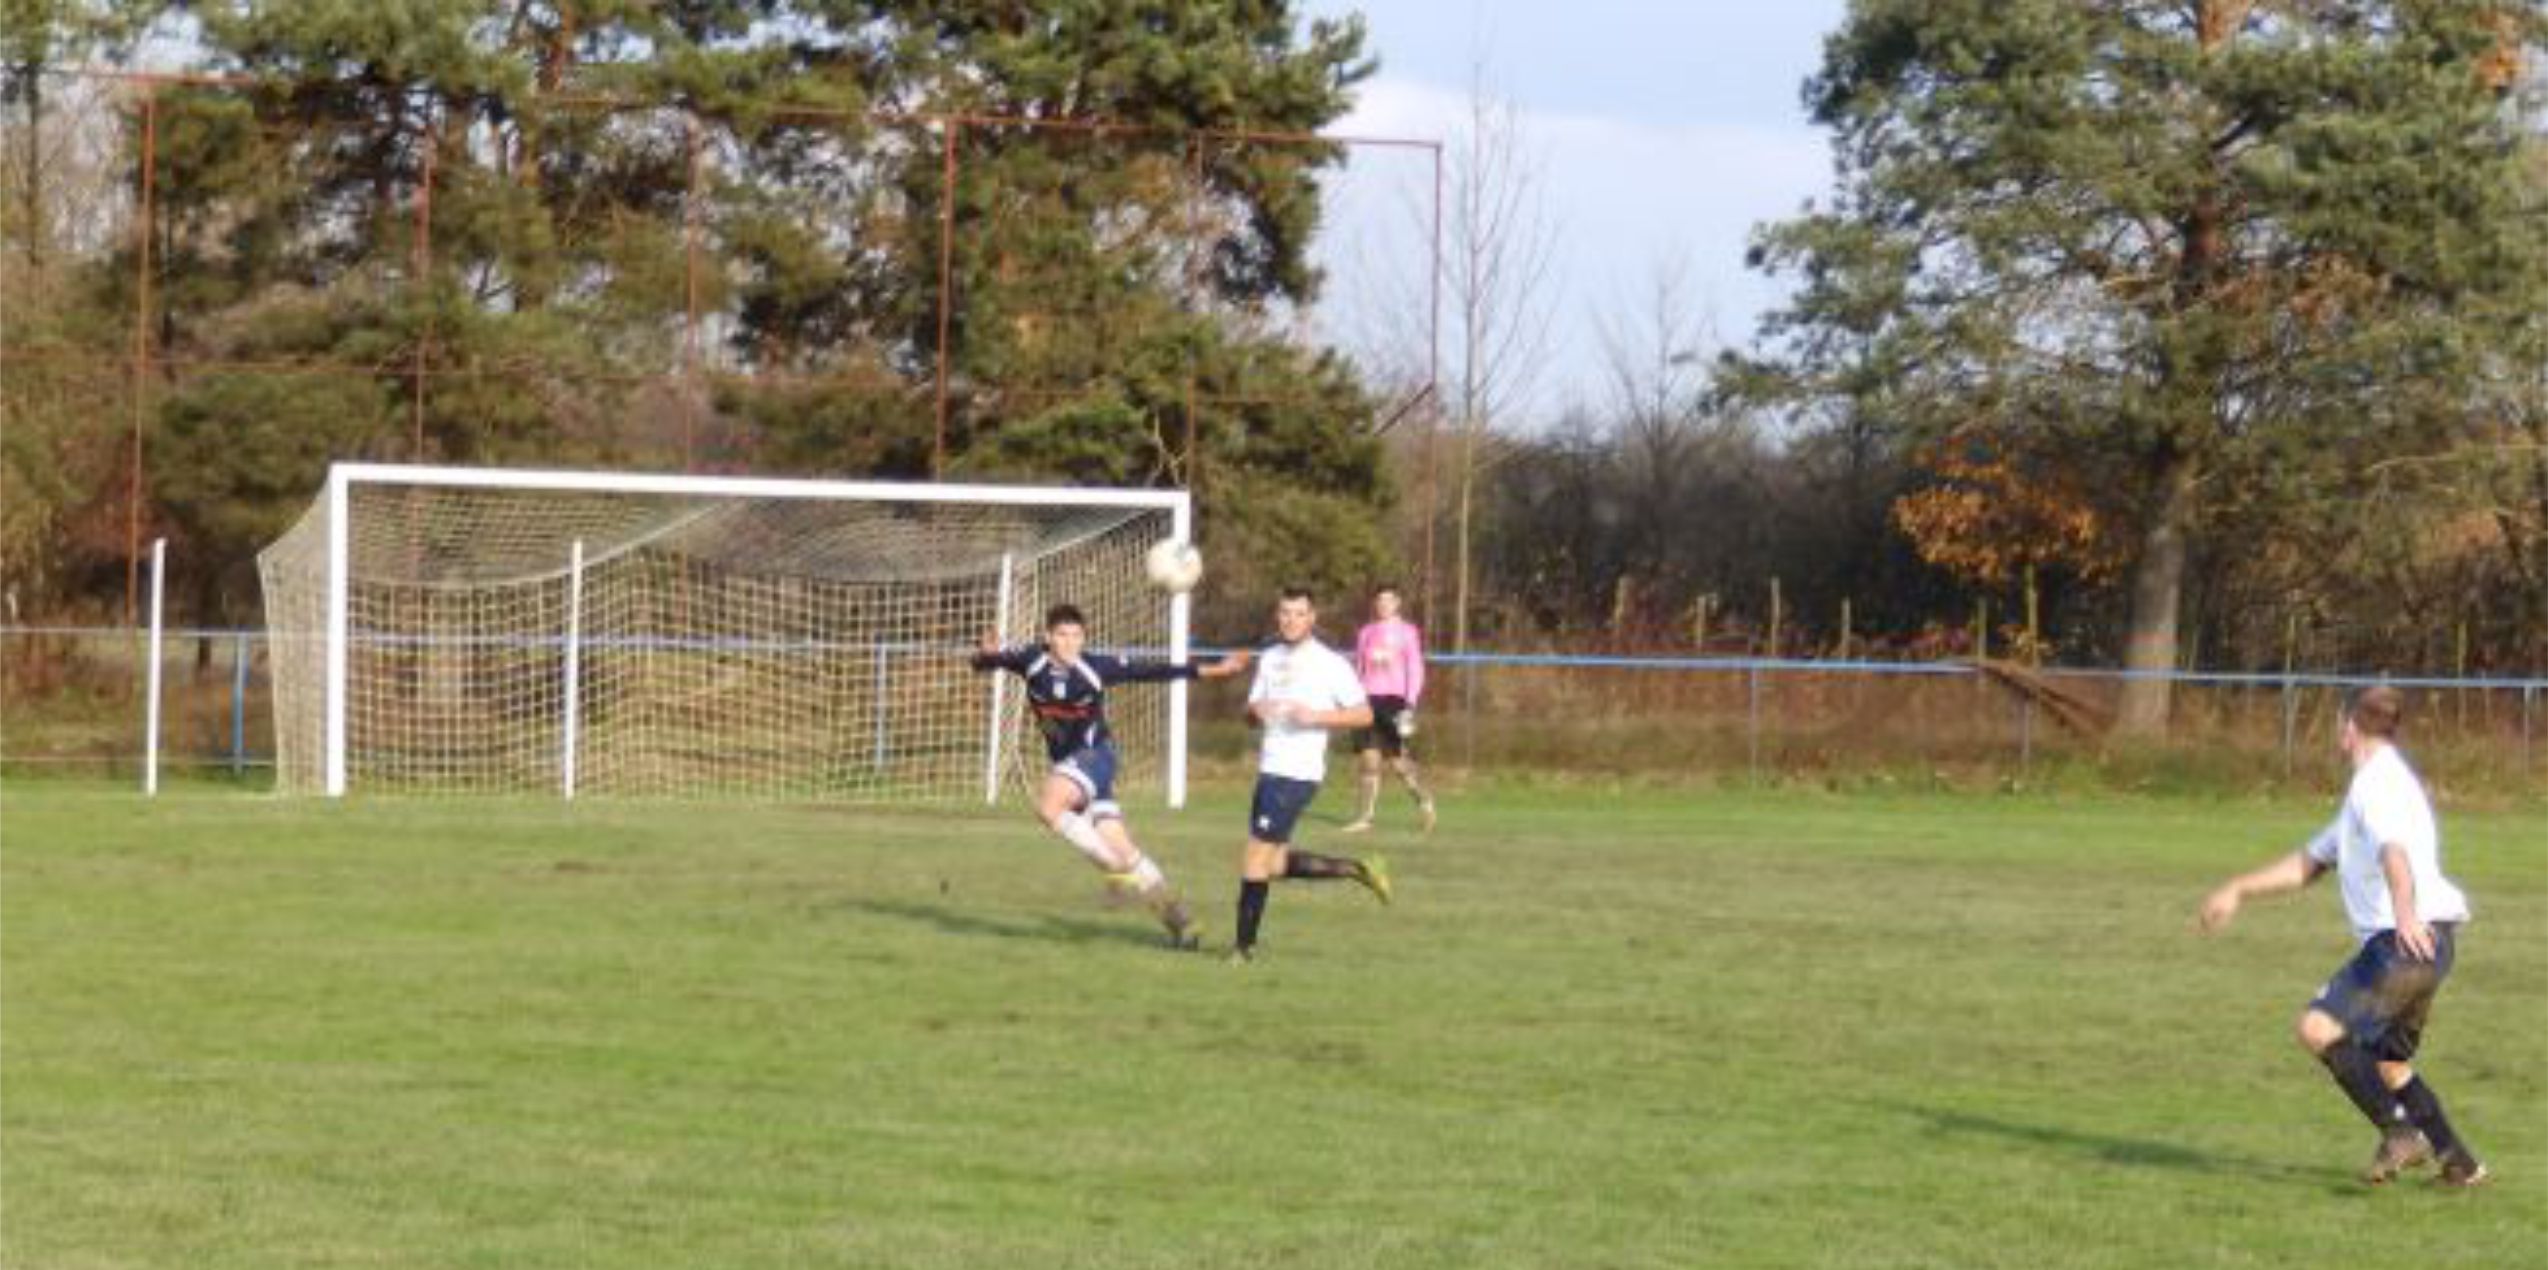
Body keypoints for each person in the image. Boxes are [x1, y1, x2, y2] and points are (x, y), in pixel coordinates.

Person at [2195, 685, 2486, 1188]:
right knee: (2389, 1064)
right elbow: (2309, 863)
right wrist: (2238, 888)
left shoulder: (2377, 785)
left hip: (2401, 942)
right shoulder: (2375, 788)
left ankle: (2401, 1134)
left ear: (2348, 726)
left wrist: (2404, 913)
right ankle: (2459, 1162)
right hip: (2434, 944)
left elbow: (2394, 852)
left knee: (2317, 1027)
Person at [972, 603, 1250, 949]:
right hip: (1073, 765)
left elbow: (1155, 670)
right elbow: (986, 663)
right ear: (1048, 637)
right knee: (1125, 849)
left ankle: (1112, 869)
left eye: (1076, 635)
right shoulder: (1031, 660)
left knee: (1049, 808)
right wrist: (984, 654)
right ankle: (1180, 922)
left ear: (1084, 638)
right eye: (1062, 635)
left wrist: (1216, 669)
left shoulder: (1095, 667)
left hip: (1096, 757)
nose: (1070, 642)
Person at [1228, 587, 1391, 963]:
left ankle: (1243, 949)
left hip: (1298, 773)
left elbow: (1364, 714)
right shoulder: (1269, 659)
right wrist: (1255, 712)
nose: (1291, 620)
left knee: (1253, 859)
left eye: (1299, 613)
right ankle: (1358, 869)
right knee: (1273, 864)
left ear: (1312, 618)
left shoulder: (1330, 663)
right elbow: (1250, 714)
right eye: (1285, 613)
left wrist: (1317, 716)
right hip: (1270, 769)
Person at [1341, 582, 1437, 834]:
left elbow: (1415, 668)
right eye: (1379, 600)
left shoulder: (1407, 632)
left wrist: (1410, 703)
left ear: (1397, 603)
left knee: (1397, 762)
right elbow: (1360, 668)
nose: (1383, 605)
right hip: (1366, 701)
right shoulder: (1366, 632)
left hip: (1394, 702)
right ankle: (1365, 818)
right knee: (1369, 759)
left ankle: (1425, 801)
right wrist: (1354, 698)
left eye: (1388, 600)